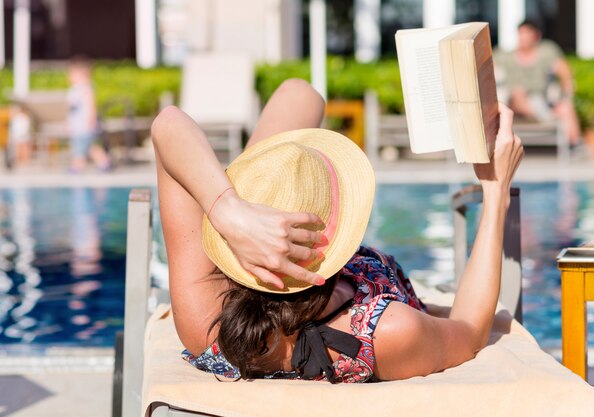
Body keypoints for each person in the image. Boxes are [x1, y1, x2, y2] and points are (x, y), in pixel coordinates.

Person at [151, 78, 524, 383]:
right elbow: (470, 330)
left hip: (241, 256)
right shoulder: (383, 332)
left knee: (300, 99)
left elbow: (169, 122)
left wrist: (229, 209)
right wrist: (496, 190)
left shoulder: (211, 320)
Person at [494, 20, 580, 145]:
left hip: (541, 100)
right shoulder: (505, 56)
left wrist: (566, 96)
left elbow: (564, 72)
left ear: (536, 36)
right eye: (520, 34)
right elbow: (487, 63)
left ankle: (573, 146)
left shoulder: (546, 52)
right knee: (518, 93)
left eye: (526, 34)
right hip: (514, 102)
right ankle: (547, 117)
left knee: (565, 107)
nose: (522, 38)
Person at [67, 56, 111, 173]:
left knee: (80, 149)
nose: (69, 77)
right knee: (91, 147)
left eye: (72, 74)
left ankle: (77, 167)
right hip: (78, 126)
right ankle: (104, 162)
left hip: (85, 126)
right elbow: (71, 111)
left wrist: (91, 121)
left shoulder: (86, 88)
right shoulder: (75, 89)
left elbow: (91, 106)